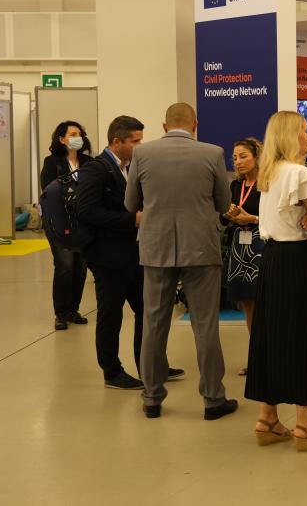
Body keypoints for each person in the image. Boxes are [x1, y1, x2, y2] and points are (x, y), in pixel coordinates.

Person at [124, 102, 236, 420]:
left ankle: (152, 398)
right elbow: (223, 202)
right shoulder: (212, 153)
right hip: (200, 247)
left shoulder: (142, 155)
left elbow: (130, 202)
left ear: (163, 126)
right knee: (205, 326)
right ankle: (214, 399)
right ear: (195, 124)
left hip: (156, 248)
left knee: (154, 325)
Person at [75, 116, 186, 390]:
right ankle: (112, 371)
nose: (140, 145)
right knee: (111, 315)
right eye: (135, 141)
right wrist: (132, 220)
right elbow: (86, 211)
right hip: (108, 257)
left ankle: (150, 363)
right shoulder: (96, 169)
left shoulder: (129, 167)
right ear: (117, 141)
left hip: (134, 254)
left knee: (148, 312)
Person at [247, 111, 307, 450]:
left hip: (270, 259)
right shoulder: (301, 173)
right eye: (302, 129)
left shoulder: (269, 173)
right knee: (302, 338)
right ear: (291, 136)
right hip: (296, 261)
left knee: (269, 337)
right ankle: (306, 425)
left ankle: (266, 418)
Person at [41, 120, 93, 331]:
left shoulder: (89, 162)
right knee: (65, 266)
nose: (77, 137)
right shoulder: (52, 162)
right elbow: (48, 190)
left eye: (79, 133)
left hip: (83, 223)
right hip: (59, 222)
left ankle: (73, 309)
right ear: (61, 139)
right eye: (72, 134)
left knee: (80, 268)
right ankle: (61, 313)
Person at [221, 138, 263, 376]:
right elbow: (226, 218)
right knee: (247, 304)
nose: (238, 162)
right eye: (235, 158)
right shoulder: (236, 186)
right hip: (240, 248)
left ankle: (269, 355)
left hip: (262, 246)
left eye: (243, 156)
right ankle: (257, 357)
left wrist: (252, 219)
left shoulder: (267, 183)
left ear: (257, 156)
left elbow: (276, 218)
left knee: (263, 302)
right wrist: (229, 215)